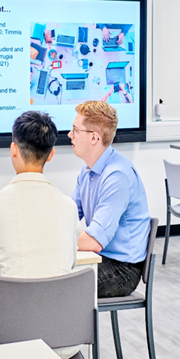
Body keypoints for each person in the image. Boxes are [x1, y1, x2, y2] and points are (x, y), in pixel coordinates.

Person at [0, 110, 82, 356]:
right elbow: (69, 262)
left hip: (8, 342)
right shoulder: (68, 208)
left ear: (13, 150)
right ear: (52, 155)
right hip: (65, 341)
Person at [69, 100, 151, 298]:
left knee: (57, 284)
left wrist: (52, 240)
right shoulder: (87, 169)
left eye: (75, 130)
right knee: (49, 273)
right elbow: (68, 216)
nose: (69, 135)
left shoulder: (117, 176)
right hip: (100, 258)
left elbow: (94, 241)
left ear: (94, 138)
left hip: (123, 270)